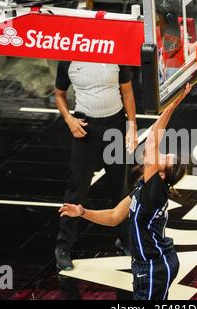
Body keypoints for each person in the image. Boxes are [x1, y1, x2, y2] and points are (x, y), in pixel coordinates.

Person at [58, 83, 192, 300]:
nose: (160, 155)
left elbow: (152, 141)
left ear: (162, 175)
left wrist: (175, 102)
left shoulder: (155, 192)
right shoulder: (143, 189)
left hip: (154, 267)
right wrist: (82, 212)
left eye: (164, 159)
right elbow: (114, 217)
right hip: (151, 263)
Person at [54, 61, 138, 271]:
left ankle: (125, 239)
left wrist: (132, 125)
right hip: (85, 129)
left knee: (120, 187)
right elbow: (59, 94)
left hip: (115, 126)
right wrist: (69, 120)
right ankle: (63, 247)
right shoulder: (67, 58)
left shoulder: (114, 52)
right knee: (77, 189)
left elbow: (126, 90)